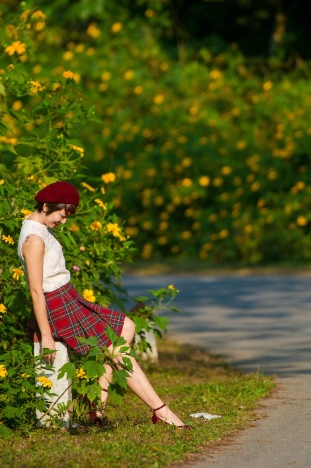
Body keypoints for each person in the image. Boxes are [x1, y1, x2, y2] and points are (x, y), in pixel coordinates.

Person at [18, 180, 190, 429]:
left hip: (67, 296)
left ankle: (95, 412)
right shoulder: (34, 239)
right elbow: (36, 290)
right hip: (56, 304)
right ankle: (161, 411)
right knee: (116, 351)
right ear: (45, 205)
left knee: (126, 327)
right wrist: (45, 335)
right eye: (61, 215)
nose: (63, 221)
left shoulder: (37, 225)